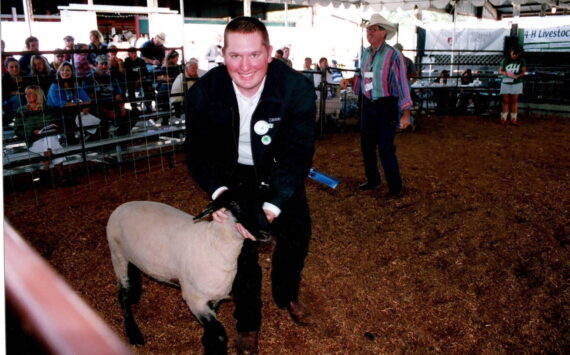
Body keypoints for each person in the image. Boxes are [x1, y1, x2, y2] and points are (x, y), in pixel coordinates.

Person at [184, 16, 315, 355]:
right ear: (222, 55)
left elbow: (298, 153)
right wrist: (220, 196)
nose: (245, 67)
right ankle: (248, 323)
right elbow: (197, 153)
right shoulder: (203, 93)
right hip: (233, 177)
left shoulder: (295, 88)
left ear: (269, 53)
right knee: (242, 250)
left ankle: (286, 294)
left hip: (277, 172)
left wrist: (272, 206)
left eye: (254, 55)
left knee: (296, 235)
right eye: (235, 56)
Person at [352, 13, 412, 197]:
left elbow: (402, 83)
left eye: (374, 29)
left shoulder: (393, 54)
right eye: (369, 28)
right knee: (366, 145)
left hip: (386, 105)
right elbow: (363, 78)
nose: (369, 31)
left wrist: (406, 113)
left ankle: (395, 187)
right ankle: (373, 180)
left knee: (386, 148)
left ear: (384, 33)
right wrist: (352, 82)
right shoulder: (365, 53)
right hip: (368, 104)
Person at [14, 85, 77, 187]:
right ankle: (61, 175)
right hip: (34, 141)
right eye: (26, 93)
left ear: (38, 94)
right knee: (57, 148)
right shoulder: (21, 110)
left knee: (49, 136)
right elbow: (17, 130)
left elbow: (57, 123)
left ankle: (46, 169)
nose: (27, 95)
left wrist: (56, 126)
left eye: (30, 93)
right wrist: (32, 131)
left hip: (49, 137)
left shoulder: (48, 108)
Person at [82, 54, 131, 138]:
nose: (104, 66)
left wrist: (121, 108)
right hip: (98, 108)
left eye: (106, 64)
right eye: (102, 64)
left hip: (112, 106)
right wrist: (107, 112)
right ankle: (104, 142)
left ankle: (119, 137)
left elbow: (119, 95)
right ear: (96, 64)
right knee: (103, 120)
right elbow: (90, 100)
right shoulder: (89, 79)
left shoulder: (112, 78)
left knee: (132, 114)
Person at [47, 62, 91, 145]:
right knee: (69, 115)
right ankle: (72, 143)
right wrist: (80, 105)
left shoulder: (74, 85)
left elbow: (87, 99)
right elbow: (60, 104)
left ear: (72, 72)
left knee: (87, 112)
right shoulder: (54, 86)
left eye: (68, 70)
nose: (65, 72)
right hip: (55, 114)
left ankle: (91, 139)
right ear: (59, 72)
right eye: (62, 70)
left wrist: (85, 106)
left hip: (70, 111)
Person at [499, 45, 526, 126]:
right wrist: (507, 73)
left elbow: (523, 72)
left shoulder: (521, 61)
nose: (514, 55)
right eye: (513, 54)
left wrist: (518, 76)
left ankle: (513, 119)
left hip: (516, 82)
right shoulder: (505, 60)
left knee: (514, 101)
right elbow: (501, 70)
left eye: (516, 54)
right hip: (506, 81)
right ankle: (503, 118)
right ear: (510, 53)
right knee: (505, 101)